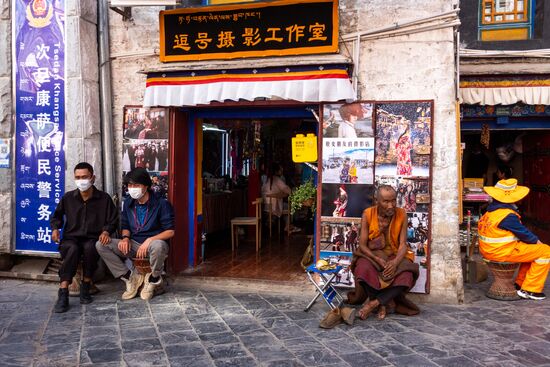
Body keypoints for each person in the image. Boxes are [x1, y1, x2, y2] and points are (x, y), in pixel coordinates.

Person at [96, 168, 175, 301]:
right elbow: (126, 225)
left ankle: (153, 280)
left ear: (146, 186)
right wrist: (125, 238)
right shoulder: (128, 203)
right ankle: (131, 277)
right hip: (133, 244)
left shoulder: (161, 204)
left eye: (136, 185)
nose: (132, 188)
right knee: (101, 245)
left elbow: (170, 231)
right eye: (130, 185)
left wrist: (150, 240)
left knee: (158, 245)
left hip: (153, 246)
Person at [50, 162, 119, 313]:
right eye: (78, 177)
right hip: (71, 238)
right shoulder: (68, 198)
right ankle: (63, 292)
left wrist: (106, 231)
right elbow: (56, 216)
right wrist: (55, 229)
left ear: (92, 178)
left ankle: (86, 285)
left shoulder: (104, 199)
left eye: (85, 177)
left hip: (93, 238)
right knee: (73, 249)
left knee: (90, 248)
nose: (81, 180)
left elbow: (113, 219)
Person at [346, 185, 420, 320]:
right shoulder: (368, 214)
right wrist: (376, 259)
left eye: (393, 201)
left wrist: (395, 262)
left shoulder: (402, 213)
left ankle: (374, 303)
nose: (391, 205)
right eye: (386, 201)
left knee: (407, 275)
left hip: (395, 253)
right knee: (362, 269)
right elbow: (362, 245)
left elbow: (403, 244)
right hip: (373, 253)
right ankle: (383, 303)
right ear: (376, 201)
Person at [478, 179, 550, 300]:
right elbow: (525, 234)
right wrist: (539, 243)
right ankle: (530, 289)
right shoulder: (507, 215)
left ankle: (520, 284)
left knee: (532, 251)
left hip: (490, 250)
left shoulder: (490, 212)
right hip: (502, 252)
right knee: (545, 251)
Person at [262, 163, 296, 233]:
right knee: (290, 207)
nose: (282, 170)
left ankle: (286, 225)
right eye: (280, 169)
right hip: (274, 206)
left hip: (266, 206)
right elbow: (288, 190)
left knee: (286, 205)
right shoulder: (277, 179)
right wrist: (284, 194)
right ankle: (288, 226)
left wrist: (281, 194)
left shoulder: (267, 179)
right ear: (277, 171)